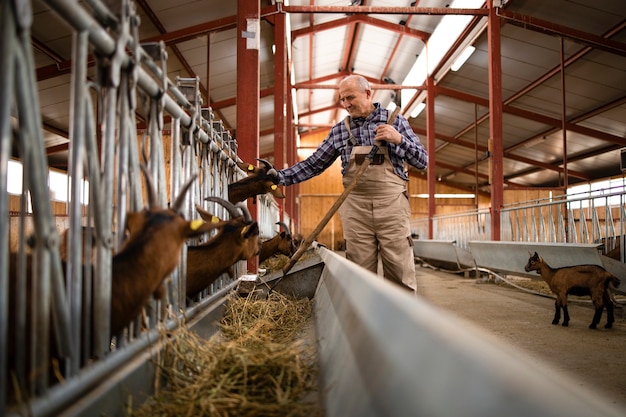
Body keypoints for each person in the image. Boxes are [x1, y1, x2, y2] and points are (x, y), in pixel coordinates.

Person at [276, 74, 428, 291]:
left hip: (392, 207)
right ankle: (364, 322)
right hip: (356, 209)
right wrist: (280, 177)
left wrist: (399, 139)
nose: (346, 104)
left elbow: (423, 162)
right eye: (342, 100)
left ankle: (398, 323)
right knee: (360, 274)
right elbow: (313, 164)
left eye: (350, 97)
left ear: (368, 93)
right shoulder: (340, 131)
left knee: (399, 270)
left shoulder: (395, 121)